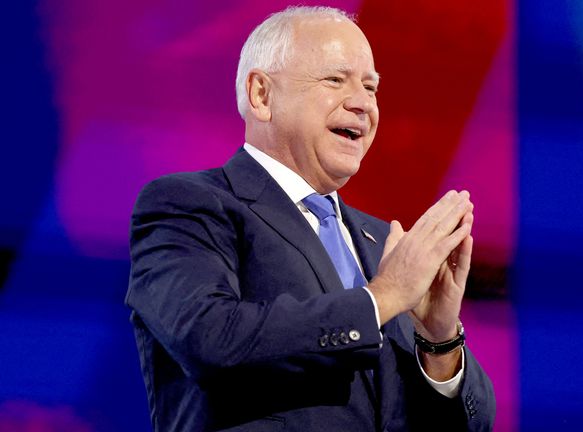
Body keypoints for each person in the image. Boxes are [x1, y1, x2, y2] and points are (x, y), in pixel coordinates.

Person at [126, 6, 495, 432]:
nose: (362, 104)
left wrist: (439, 338)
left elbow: (472, 425)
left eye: (371, 87)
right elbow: (208, 338)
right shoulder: (189, 204)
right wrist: (385, 298)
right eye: (335, 80)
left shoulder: (383, 243)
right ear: (261, 95)